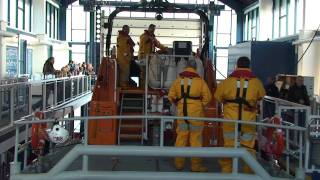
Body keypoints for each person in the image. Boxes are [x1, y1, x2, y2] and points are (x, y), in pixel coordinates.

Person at [214, 56, 265, 173]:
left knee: (229, 146)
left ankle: (227, 172)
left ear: (236, 65)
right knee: (248, 148)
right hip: (248, 120)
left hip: (230, 120)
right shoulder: (256, 82)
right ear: (249, 66)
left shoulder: (227, 81)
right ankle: (249, 173)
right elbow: (261, 96)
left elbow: (217, 96)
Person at [168, 59, 212, 172]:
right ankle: (195, 166)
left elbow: (171, 96)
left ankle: (179, 164)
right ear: (196, 68)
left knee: (181, 138)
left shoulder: (178, 80)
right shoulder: (200, 81)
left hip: (182, 114)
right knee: (196, 139)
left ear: (186, 67)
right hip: (196, 115)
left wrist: (179, 103)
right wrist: (200, 105)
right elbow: (208, 97)